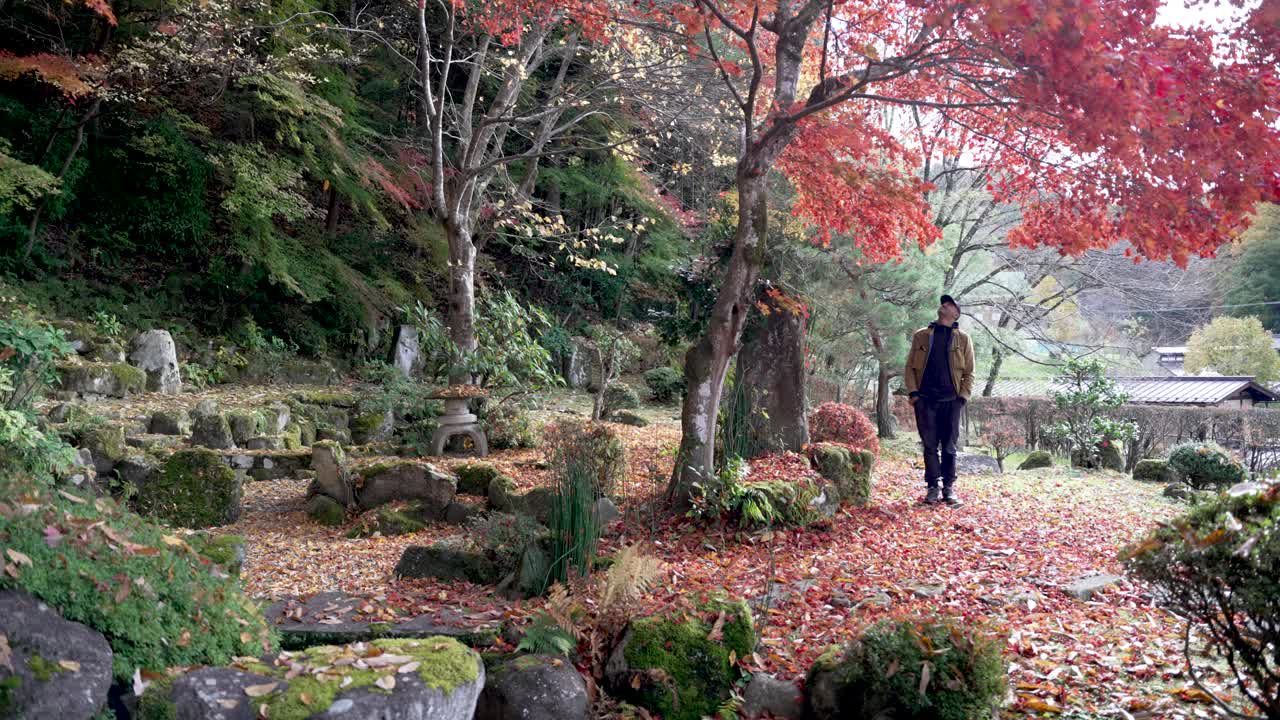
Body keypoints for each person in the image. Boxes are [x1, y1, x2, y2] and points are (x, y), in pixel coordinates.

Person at [903, 294, 975, 506]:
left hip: (951, 401)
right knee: (929, 446)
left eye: (949, 304)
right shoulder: (921, 336)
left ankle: (949, 489)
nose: (944, 305)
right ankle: (933, 487)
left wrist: (962, 397)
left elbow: (969, 372)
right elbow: (909, 367)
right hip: (925, 400)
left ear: (956, 313)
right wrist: (914, 393)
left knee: (949, 447)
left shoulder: (963, 339)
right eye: (943, 303)